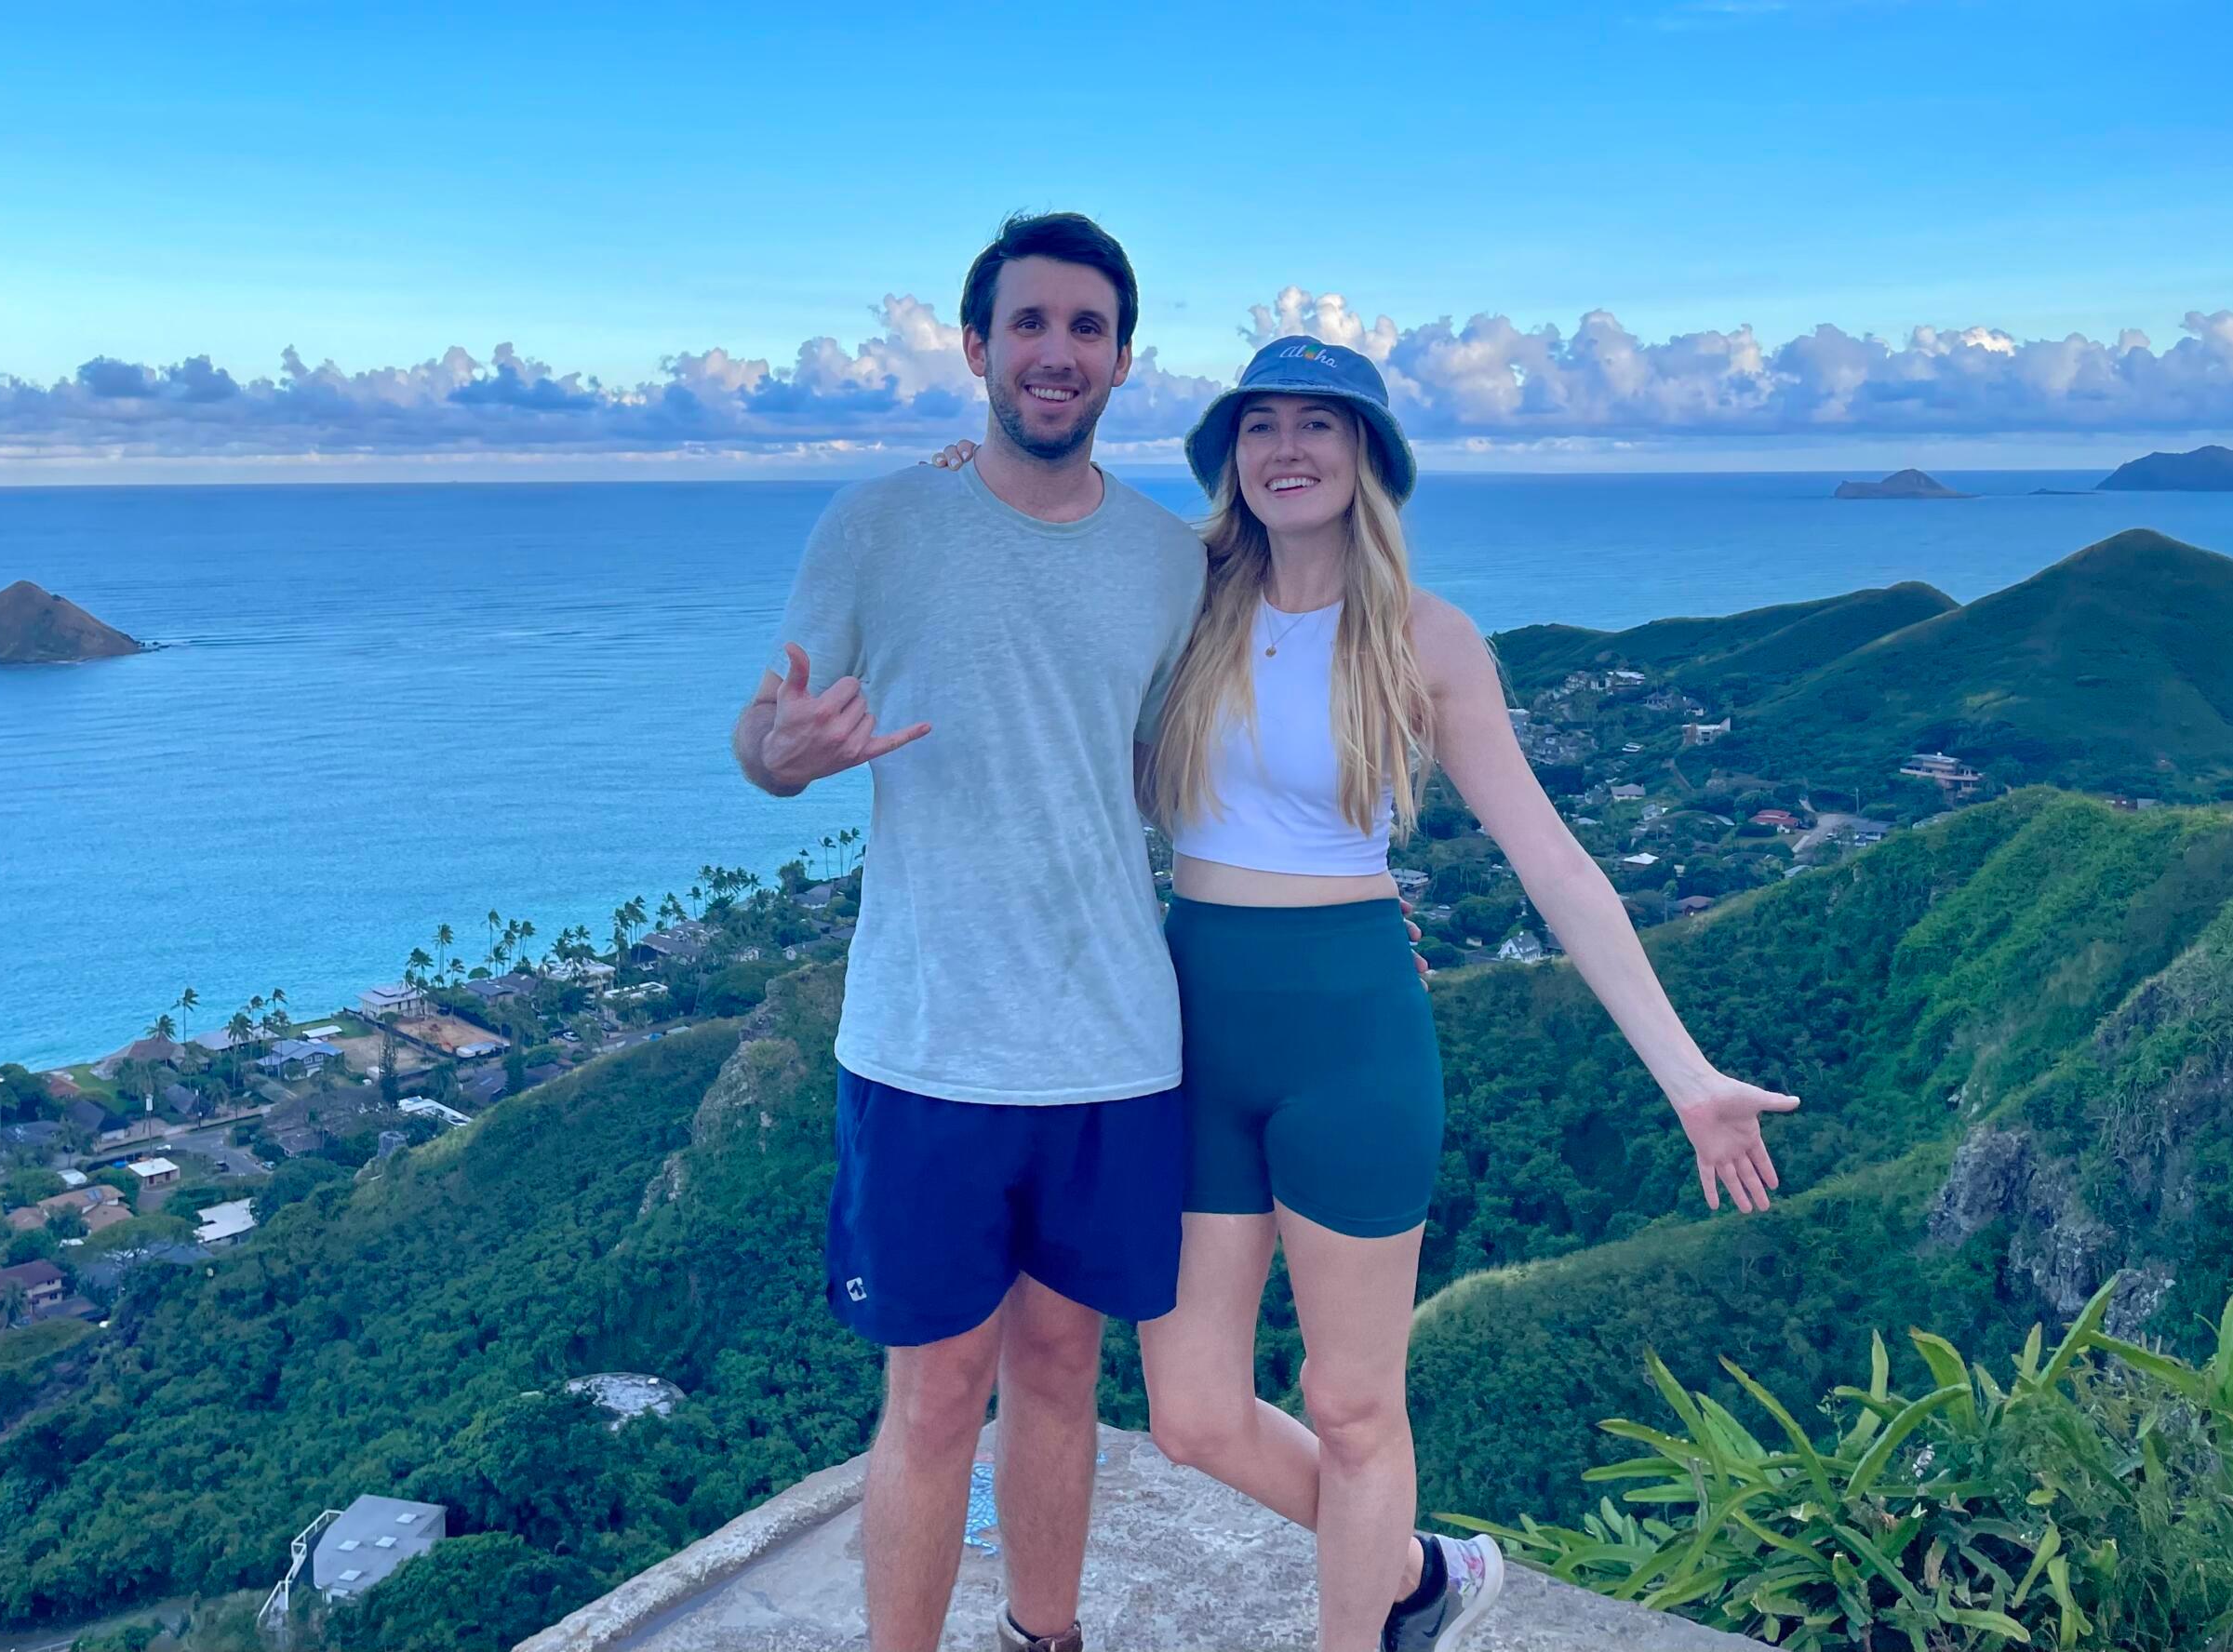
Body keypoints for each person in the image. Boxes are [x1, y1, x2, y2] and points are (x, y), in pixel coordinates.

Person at [927, 335, 1800, 1651]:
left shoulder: (1424, 638)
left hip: (1354, 1037)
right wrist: (973, 476)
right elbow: (1053, 553)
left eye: (1319, 426)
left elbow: (1554, 861)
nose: (1287, 449)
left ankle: (1366, 1624)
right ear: (1232, 457)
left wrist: (1687, 1074)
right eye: (1262, 424)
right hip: (1195, 1032)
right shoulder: (1185, 593)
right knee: (1193, 1415)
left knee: (1352, 1405)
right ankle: (1411, 1574)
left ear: (1367, 458)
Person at [734, 212, 1206, 1652]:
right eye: (1029, 324)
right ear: (975, 346)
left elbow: (1180, 778)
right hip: (930, 1036)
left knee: (1064, 1374)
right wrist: (791, 753)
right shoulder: (880, 523)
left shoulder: (1172, 562)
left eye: (1086, 328)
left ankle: (1043, 1641)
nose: (1056, 352)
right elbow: (765, 732)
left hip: (1113, 1038)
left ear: (1125, 360)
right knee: (935, 1393)